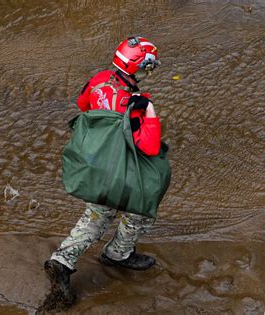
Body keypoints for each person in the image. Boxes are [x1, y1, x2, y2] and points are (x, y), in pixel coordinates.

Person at [41, 36, 163, 311]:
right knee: (139, 210)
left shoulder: (99, 79)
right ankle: (118, 253)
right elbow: (150, 146)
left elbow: (83, 106)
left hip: (94, 162)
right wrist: (151, 112)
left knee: (96, 214)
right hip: (119, 170)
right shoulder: (138, 103)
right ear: (139, 67)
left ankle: (63, 259)